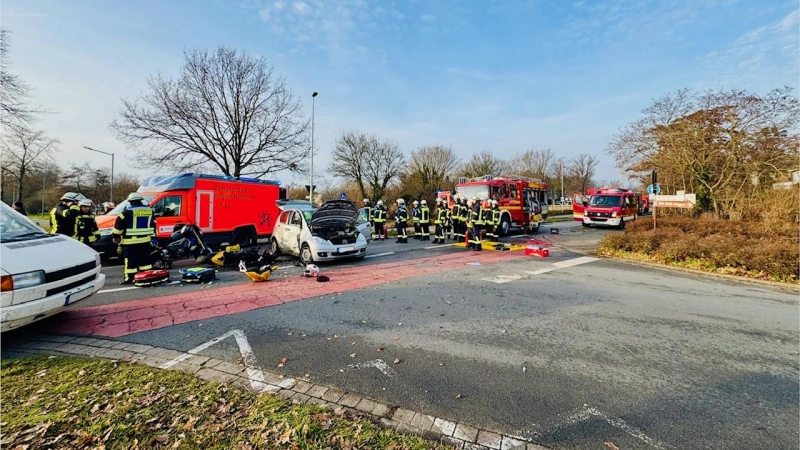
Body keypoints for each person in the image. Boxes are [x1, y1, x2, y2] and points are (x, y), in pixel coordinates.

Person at [112, 192, 155, 284]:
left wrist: (115, 237)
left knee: (131, 262)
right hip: (146, 241)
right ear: (140, 200)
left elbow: (118, 226)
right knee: (145, 261)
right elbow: (153, 224)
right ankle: (146, 277)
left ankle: (130, 279)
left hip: (130, 242)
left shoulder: (127, 212)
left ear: (130, 202)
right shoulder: (150, 210)